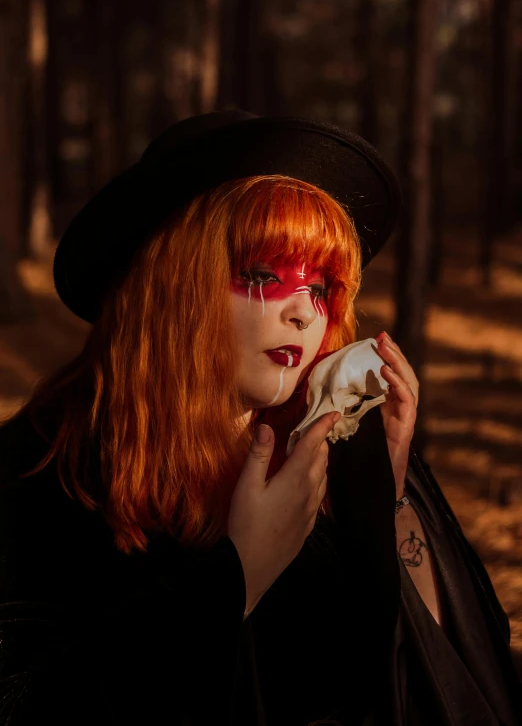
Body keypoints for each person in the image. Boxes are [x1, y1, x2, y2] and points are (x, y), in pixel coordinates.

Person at [0, 110, 520, 726]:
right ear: (170, 283)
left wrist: (388, 496)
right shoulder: (42, 470)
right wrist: (238, 575)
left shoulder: (338, 446)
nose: (305, 313)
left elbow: (445, 681)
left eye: (322, 287)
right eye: (263, 275)